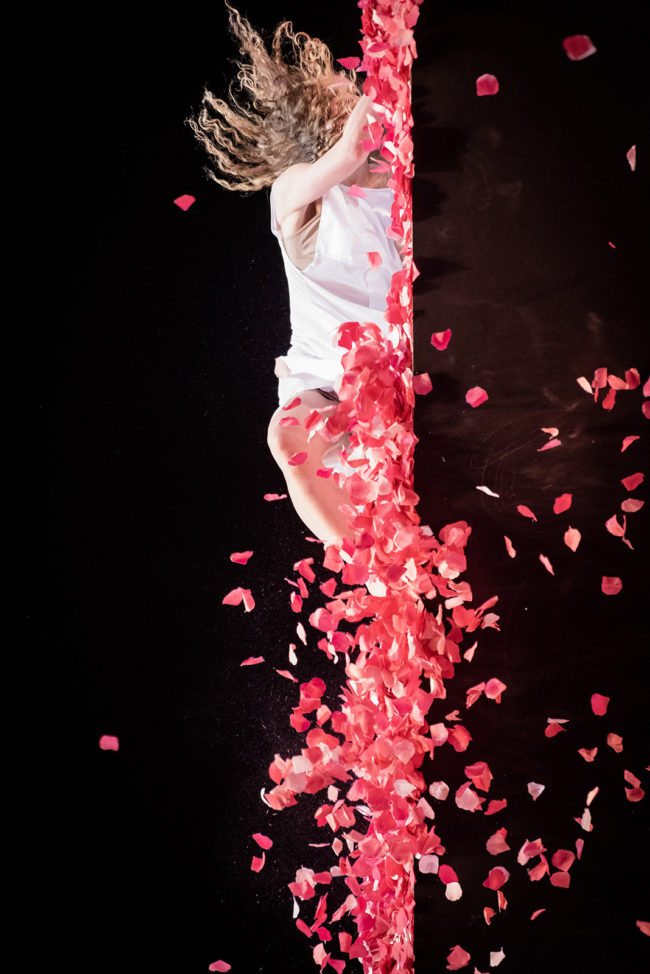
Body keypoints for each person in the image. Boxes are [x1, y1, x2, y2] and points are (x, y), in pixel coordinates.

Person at [189, 3, 403, 545]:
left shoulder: (397, 176)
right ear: (317, 119)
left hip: (402, 362)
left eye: (354, 88)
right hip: (327, 381)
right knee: (287, 438)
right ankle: (377, 572)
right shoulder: (293, 192)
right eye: (343, 93)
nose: (353, 92)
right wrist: (392, 55)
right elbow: (351, 146)